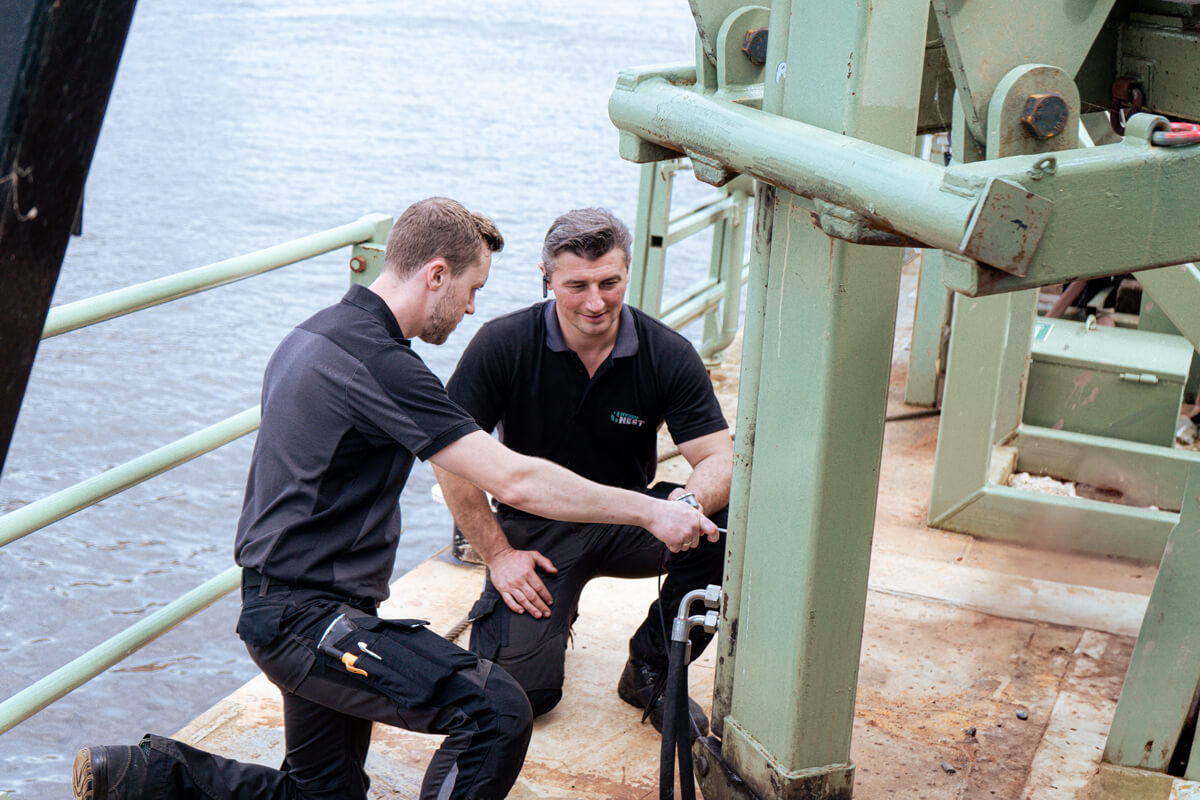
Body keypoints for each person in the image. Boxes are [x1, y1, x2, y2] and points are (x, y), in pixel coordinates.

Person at [72, 197, 717, 800]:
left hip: (285, 606)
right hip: (309, 618)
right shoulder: (380, 364)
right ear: (436, 275)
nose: (471, 309)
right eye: (471, 289)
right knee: (496, 709)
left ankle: (139, 774)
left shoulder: (316, 334)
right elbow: (514, 480)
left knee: (322, 795)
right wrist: (650, 508)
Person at [433, 207, 732, 734]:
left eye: (609, 283)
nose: (596, 303)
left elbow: (719, 457)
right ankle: (553, 615)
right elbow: (449, 457)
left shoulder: (667, 352)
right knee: (518, 701)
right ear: (547, 279)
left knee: (730, 530)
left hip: (631, 519)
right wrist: (498, 556)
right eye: (577, 286)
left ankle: (653, 667)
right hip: (536, 534)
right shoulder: (503, 344)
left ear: (628, 272)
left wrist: (687, 505)